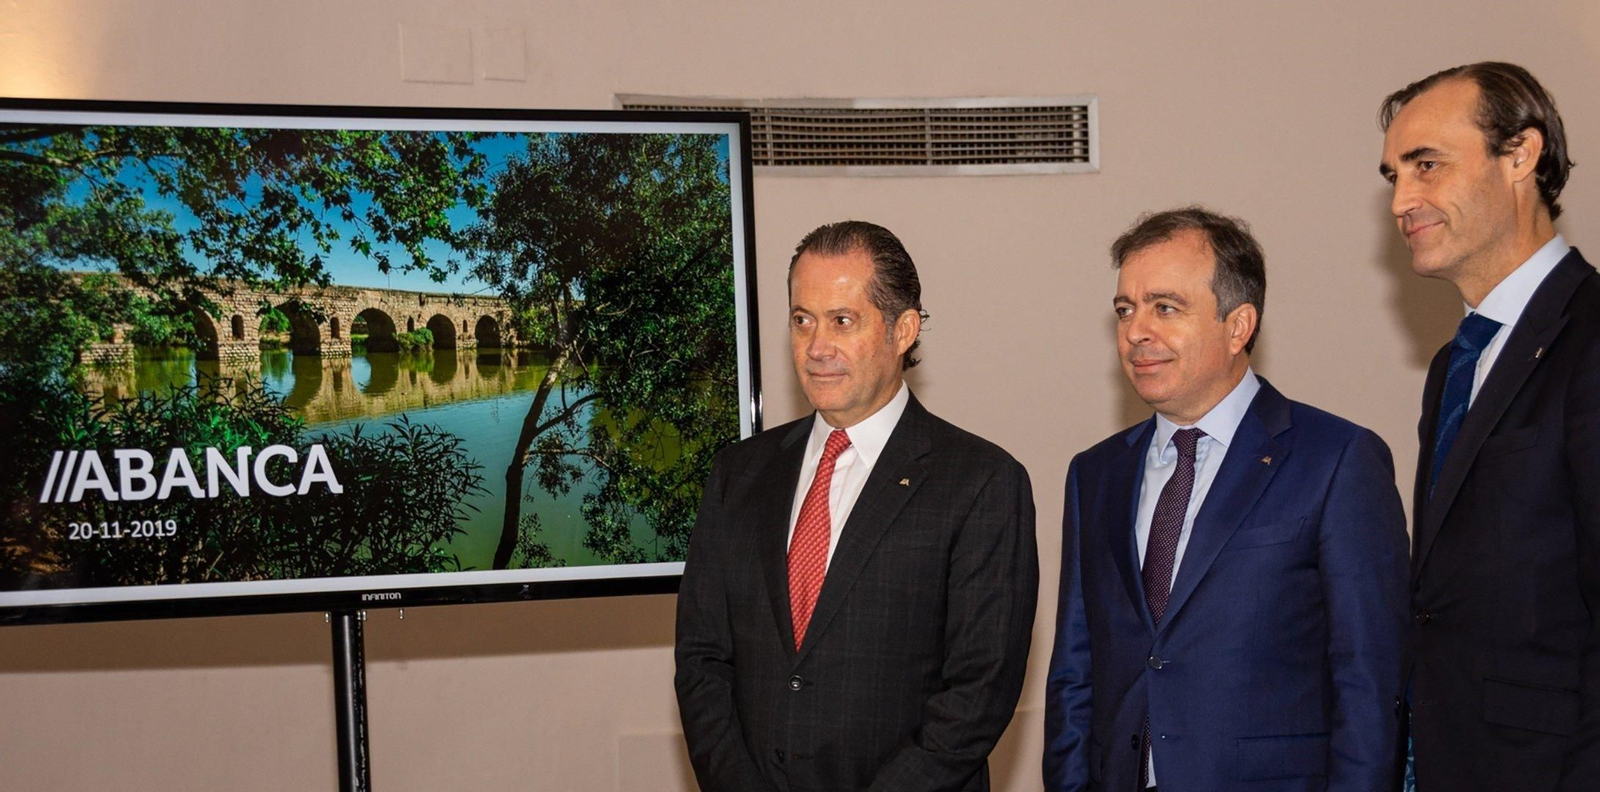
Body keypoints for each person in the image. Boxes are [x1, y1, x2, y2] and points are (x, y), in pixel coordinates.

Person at [1043, 207, 1409, 791]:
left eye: (1165, 307)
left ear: (1238, 327)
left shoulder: (1336, 460)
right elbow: (1075, 670)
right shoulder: (1096, 473)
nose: (1137, 330)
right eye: (1125, 309)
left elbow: (1369, 679)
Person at [675, 220, 1038, 792]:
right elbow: (702, 660)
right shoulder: (738, 474)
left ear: (903, 331)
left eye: (842, 321)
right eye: (802, 321)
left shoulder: (982, 483)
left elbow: (979, 691)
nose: (817, 347)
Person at [1379, 62, 1600, 791]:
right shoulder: (1455, 364)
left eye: (1427, 166)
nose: (1402, 201)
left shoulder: (1590, 337)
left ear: (1521, 155)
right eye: (1394, 177)